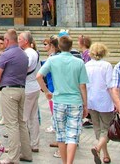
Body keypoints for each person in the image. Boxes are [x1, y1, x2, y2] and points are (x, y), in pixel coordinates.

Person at [37, 35, 89, 163]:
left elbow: (38, 76)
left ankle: (64, 161)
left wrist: (47, 92)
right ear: (71, 47)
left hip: (58, 100)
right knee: (73, 135)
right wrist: (85, 104)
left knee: (61, 135)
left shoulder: (53, 60)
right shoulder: (79, 62)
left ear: (59, 46)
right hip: (75, 101)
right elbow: (82, 86)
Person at [0, 29, 31, 164]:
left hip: (9, 90)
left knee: (11, 124)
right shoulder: (23, 54)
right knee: (21, 123)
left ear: (7, 40)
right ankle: (26, 153)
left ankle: (13, 157)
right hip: (21, 89)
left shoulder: (6, 54)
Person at [85, 43, 116, 164]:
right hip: (105, 100)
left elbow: (84, 84)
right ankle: (98, 149)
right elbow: (110, 85)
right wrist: (116, 102)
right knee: (106, 128)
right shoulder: (106, 65)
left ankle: (105, 155)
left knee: (98, 128)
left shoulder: (86, 65)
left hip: (91, 100)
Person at [19, 31, 43, 156]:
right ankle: (34, 143)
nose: (18, 41)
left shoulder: (28, 54)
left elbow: (24, 68)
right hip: (34, 86)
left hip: (28, 87)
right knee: (33, 117)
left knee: (24, 117)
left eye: (20, 39)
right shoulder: (34, 52)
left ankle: (25, 144)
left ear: (26, 41)